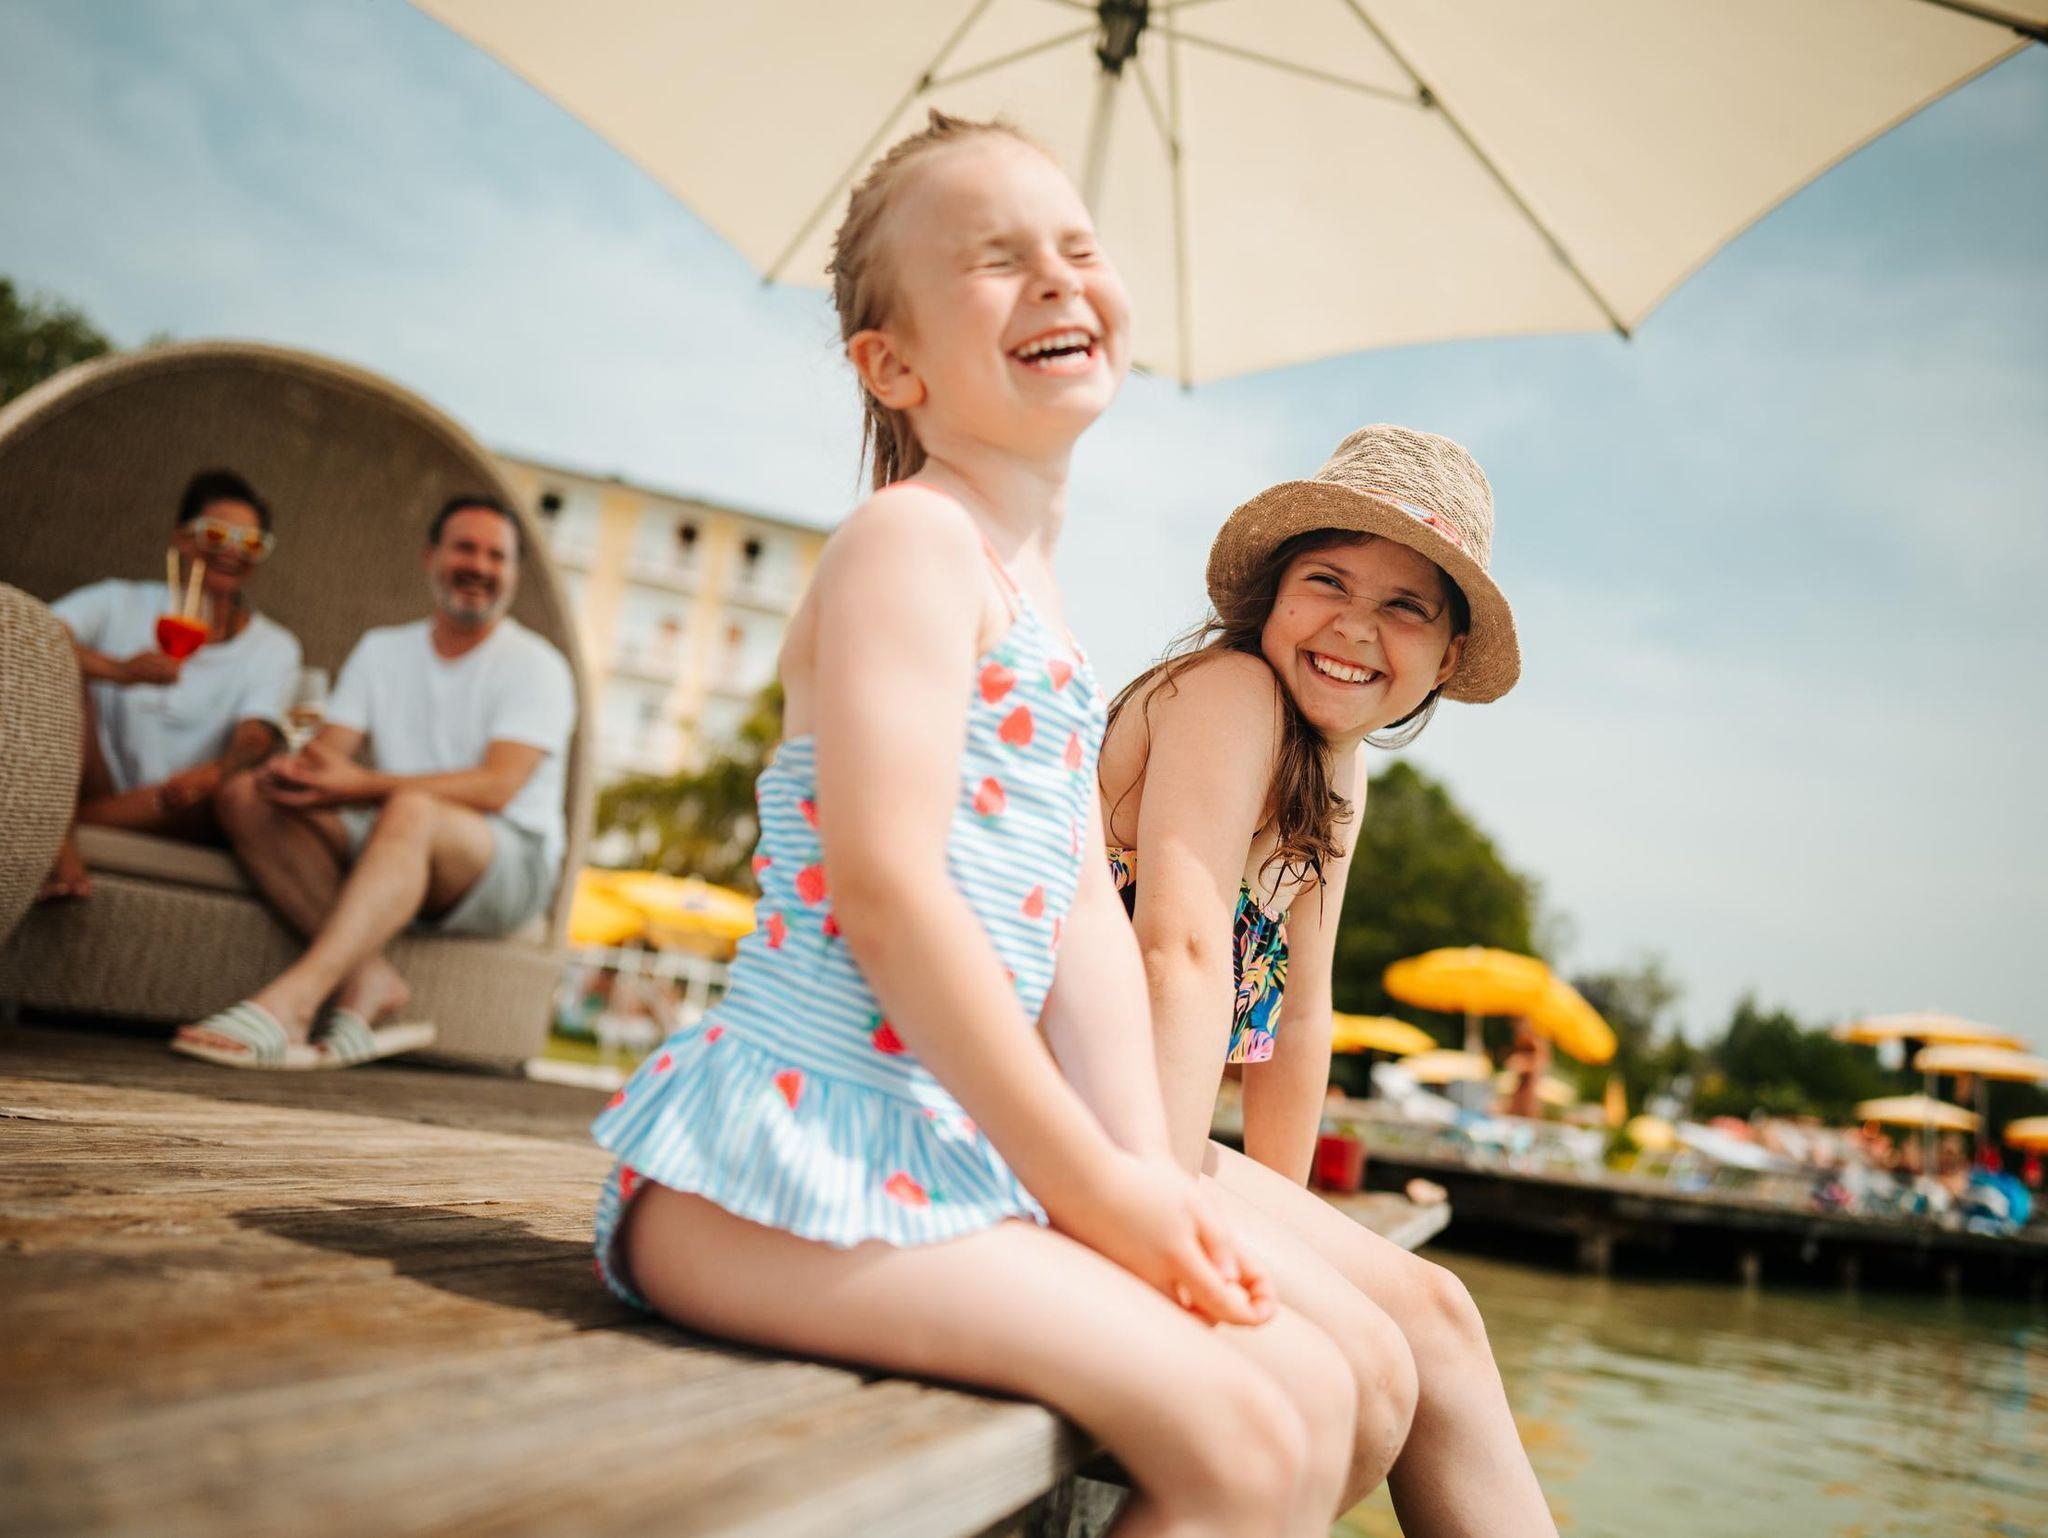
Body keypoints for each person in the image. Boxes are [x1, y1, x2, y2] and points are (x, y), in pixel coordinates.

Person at [589, 113, 1398, 1537]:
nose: (1056, 276)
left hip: (946, 1158)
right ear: (891, 366)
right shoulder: (907, 541)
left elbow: (1084, 925)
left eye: (1077, 246)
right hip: (783, 1165)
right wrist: (1096, 1189)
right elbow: (889, 892)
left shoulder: (1049, 616)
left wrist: (1144, 1176)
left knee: (1332, 1399)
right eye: (994, 258)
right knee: (1243, 1436)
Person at [1098, 425, 1557, 1533]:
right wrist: (1168, 1219)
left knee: (1433, 1319)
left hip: (1122, 1115)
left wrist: (1288, 1221)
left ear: (1445, 658)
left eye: (1404, 606)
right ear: (1271, 593)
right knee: (1381, 1364)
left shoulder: (1335, 778)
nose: (1355, 626)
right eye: (1328, 582)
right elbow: (1180, 951)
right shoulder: (1226, 693)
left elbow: (1302, 1017)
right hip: (1066, 1110)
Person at [170, 494, 575, 1070]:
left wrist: (359, 785)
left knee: (411, 807)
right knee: (246, 797)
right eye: (466, 548)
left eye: (497, 556)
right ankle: (368, 979)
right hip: (397, 829)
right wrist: (293, 771)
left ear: (513, 573)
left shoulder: (537, 665)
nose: (480, 566)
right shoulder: (383, 649)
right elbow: (328, 758)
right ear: (431, 557)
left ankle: (294, 1004)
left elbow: (497, 787)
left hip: (510, 860)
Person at [40, 469, 300, 898]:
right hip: (92, 777)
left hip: (180, 804)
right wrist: (119, 671)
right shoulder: (119, 601)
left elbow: (256, 735)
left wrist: (211, 774)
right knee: (62, 669)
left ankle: (51, 823)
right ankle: (60, 827)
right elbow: (30, 638)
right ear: (182, 538)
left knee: (231, 788)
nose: (232, 551)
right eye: (216, 535)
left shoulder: (274, 646)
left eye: (251, 543)